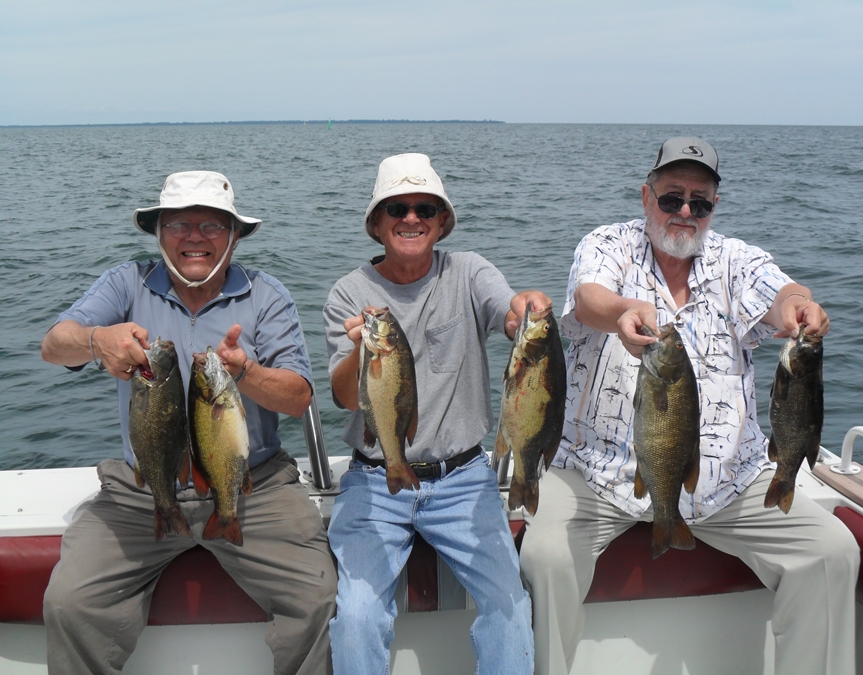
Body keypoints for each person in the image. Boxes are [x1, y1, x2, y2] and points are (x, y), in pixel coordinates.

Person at [519, 137, 861, 675]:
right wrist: (623, 311)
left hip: (728, 479)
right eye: (671, 197)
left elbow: (782, 292)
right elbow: (588, 299)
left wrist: (802, 309)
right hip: (596, 473)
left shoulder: (737, 260)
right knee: (543, 557)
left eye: (699, 202)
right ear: (645, 195)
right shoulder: (607, 245)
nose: (684, 212)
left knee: (833, 554)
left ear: (714, 208)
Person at [40, 170, 337, 675]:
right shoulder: (125, 282)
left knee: (320, 599)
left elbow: (298, 396)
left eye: (212, 225)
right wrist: (97, 342)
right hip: (143, 490)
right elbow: (54, 344)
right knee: (69, 603)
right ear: (158, 232)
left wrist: (246, 372)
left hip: (253, 487)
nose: (195, 236)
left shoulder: (268, 295)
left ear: (234, 235)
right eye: (178, 224)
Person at [323, 153, 540, 674]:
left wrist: (525, 315)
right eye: (396, 207)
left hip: (465, 477)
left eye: (425, 207)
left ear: (442, 221)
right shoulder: (348, 293)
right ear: (377, 224)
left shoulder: (468, 271)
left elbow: (507, 312)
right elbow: (342, 396)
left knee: (510, 605)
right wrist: (359, 352)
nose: (411, 218)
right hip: (375, 478)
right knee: (354, 616)